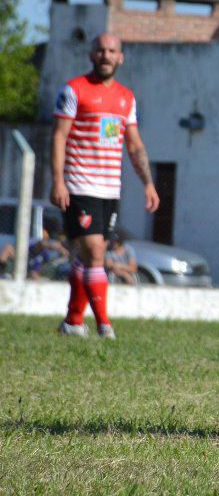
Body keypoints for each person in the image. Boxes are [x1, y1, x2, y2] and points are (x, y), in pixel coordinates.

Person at [52, 33, 160, 339]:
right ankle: (103, 324)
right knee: (96, 251)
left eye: (112, 51)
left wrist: (148, 184)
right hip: (79, 182)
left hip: (110, 188)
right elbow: (59, 135)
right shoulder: (74, 90)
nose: (106, 55)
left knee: (87, 255)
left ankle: (73, 322)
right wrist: (58, 180)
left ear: (120, 57)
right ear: (91, 55)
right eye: (100, 50)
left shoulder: (126, 98)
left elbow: (134, 145)